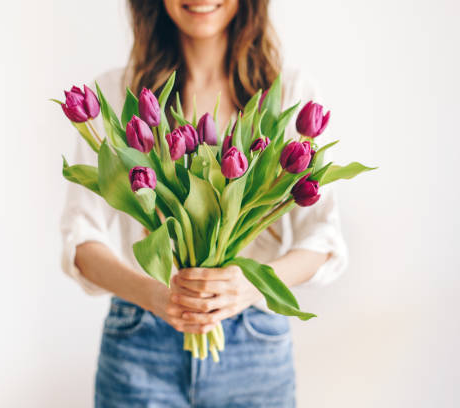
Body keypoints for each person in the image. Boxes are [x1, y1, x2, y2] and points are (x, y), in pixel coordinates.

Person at [60, 0, 348, 406]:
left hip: (255, 342)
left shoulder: (291, 94)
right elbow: (80, 236)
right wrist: (155, 295)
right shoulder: (115, 94)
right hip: (140, 337)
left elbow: (324, 237)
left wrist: (251, 285)